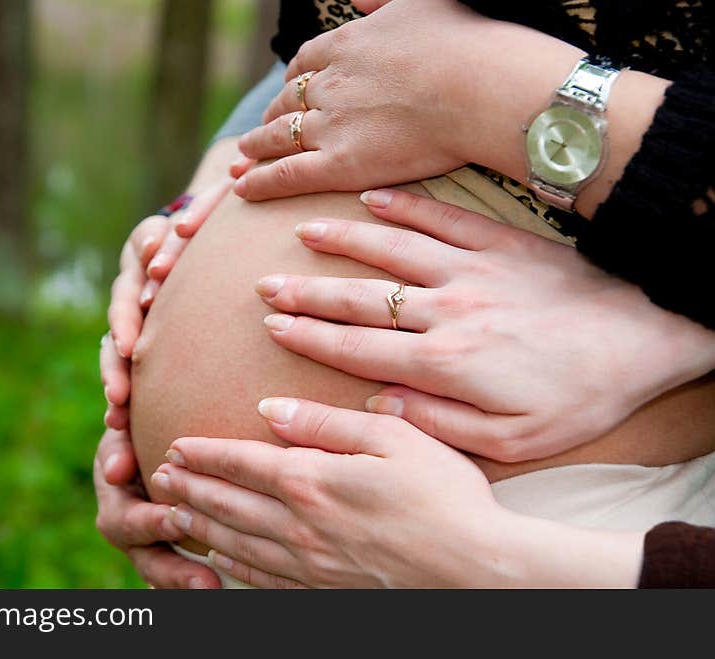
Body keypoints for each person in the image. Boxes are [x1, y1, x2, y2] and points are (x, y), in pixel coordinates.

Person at [95, 0, 715, 587]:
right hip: (255, 547)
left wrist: (495, 566)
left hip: (569, 538)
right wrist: (192, 216)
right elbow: (329, 49)